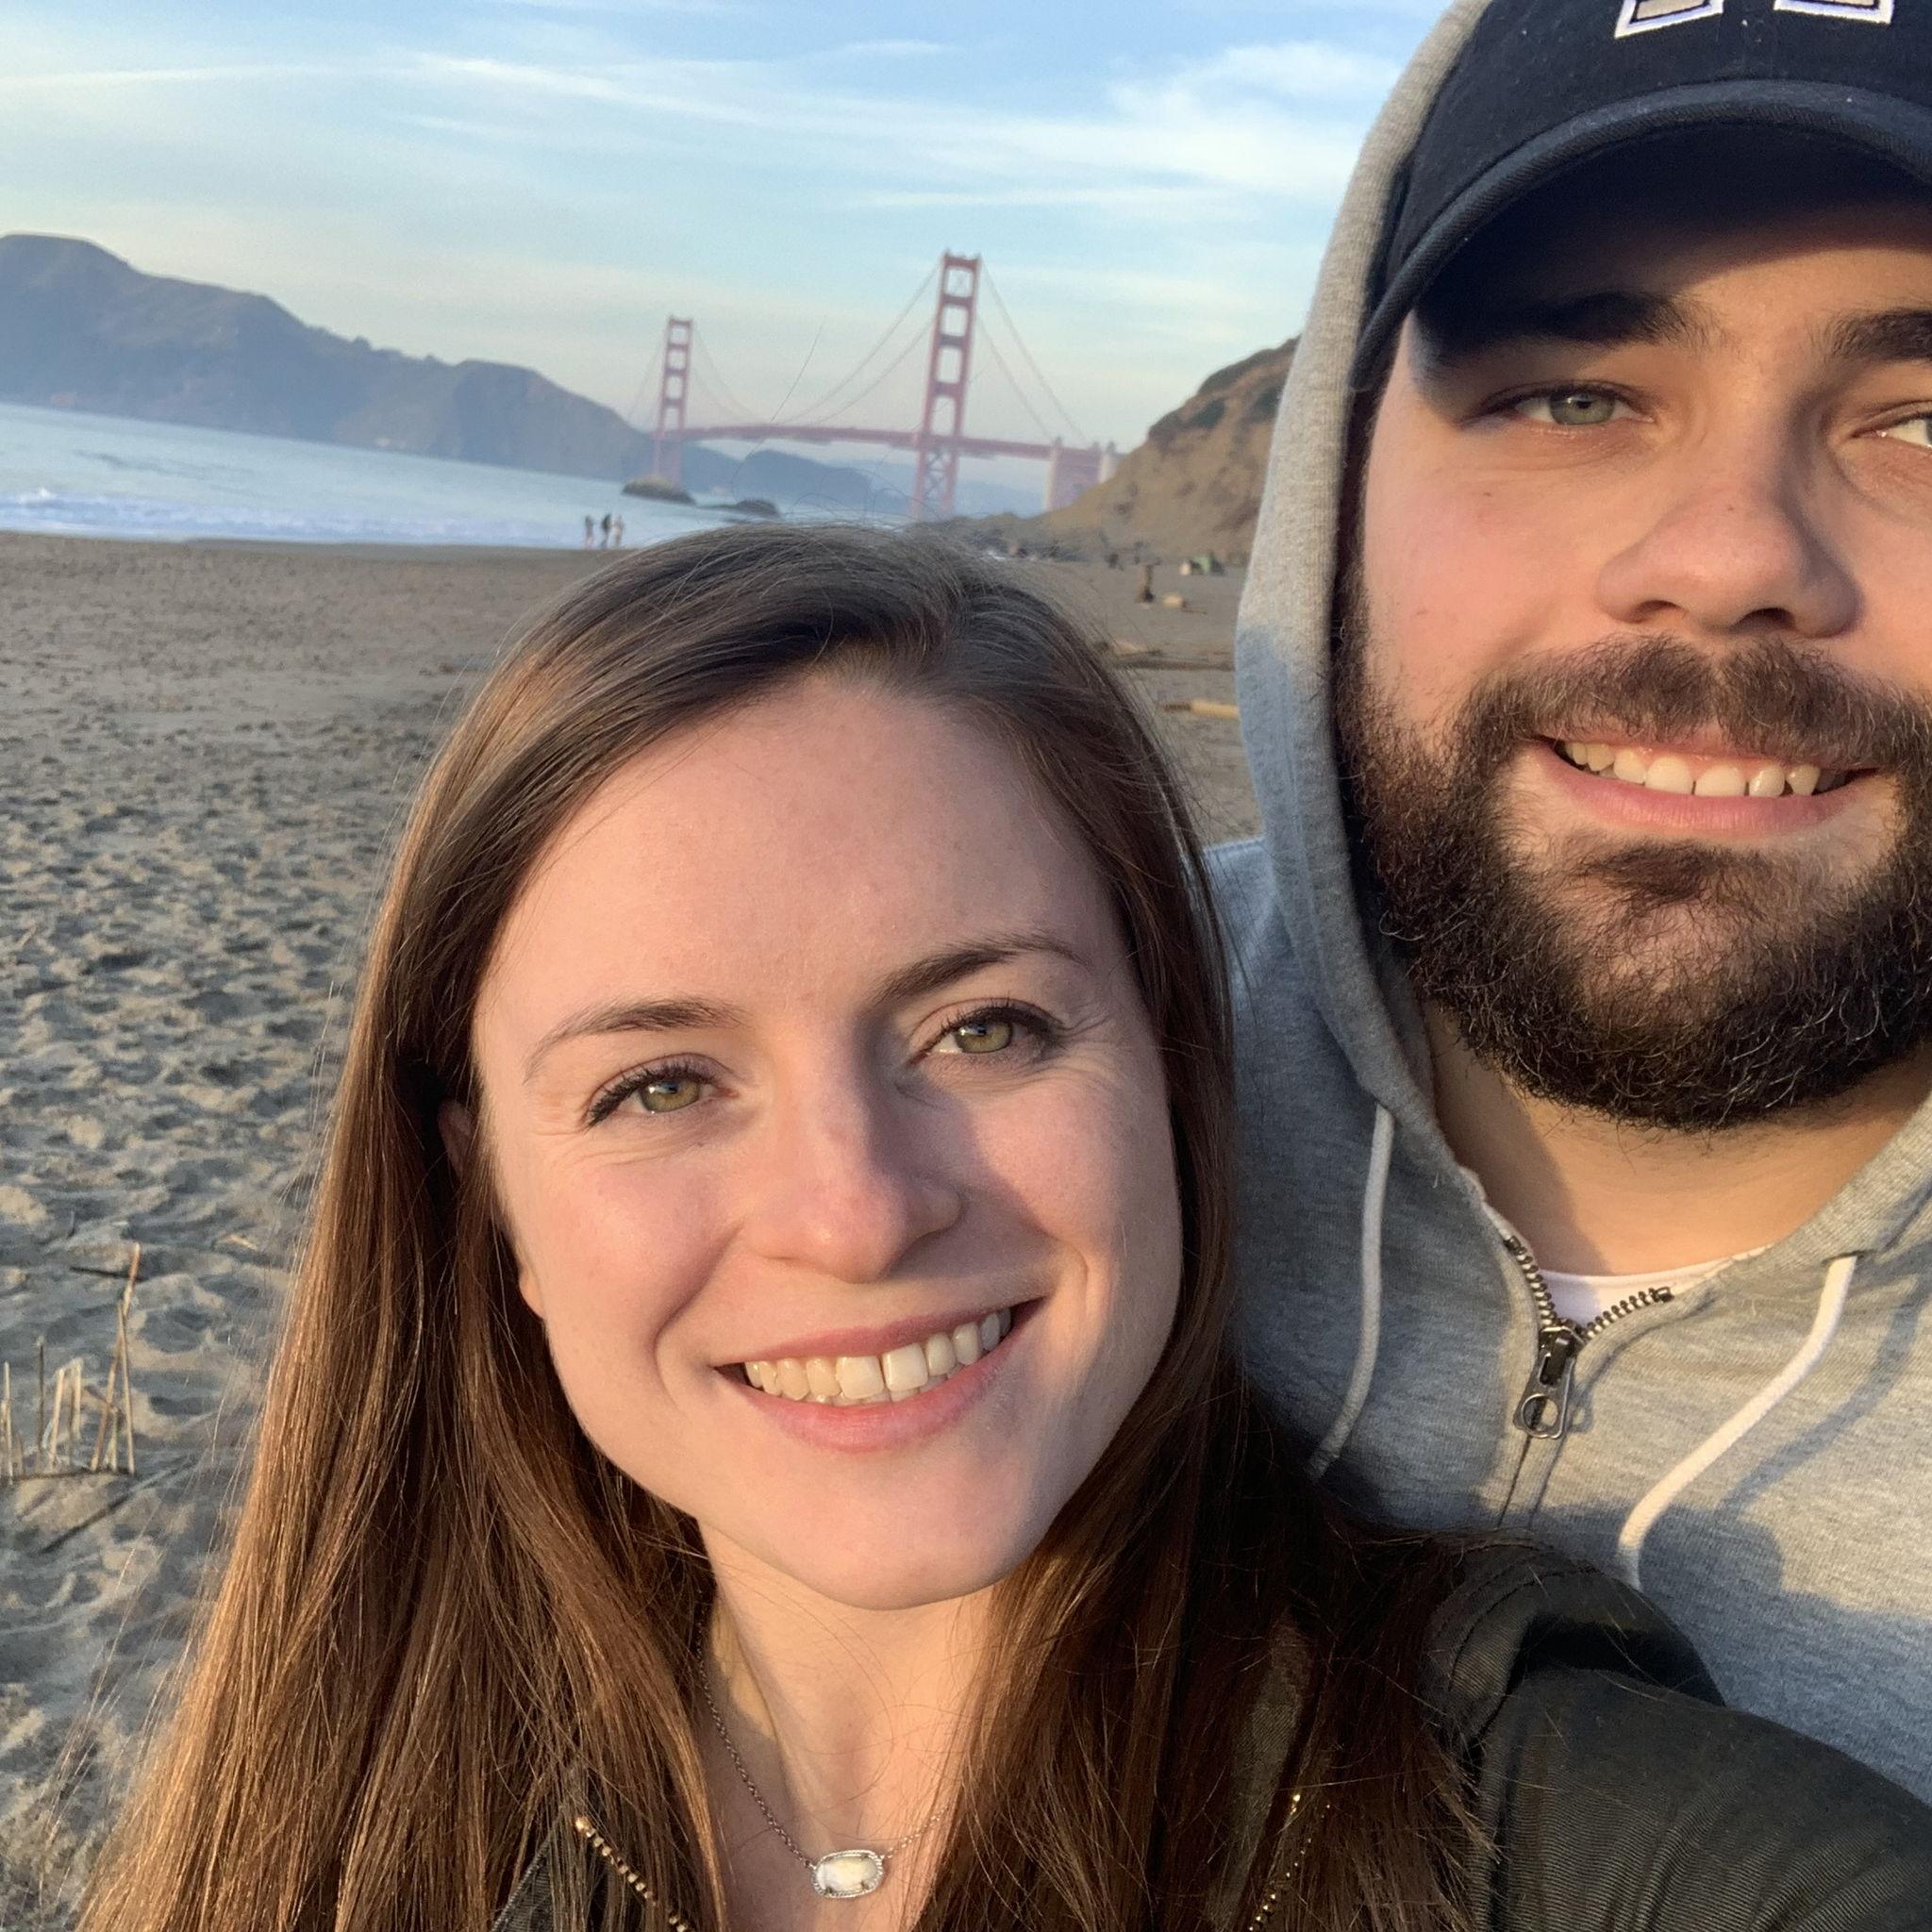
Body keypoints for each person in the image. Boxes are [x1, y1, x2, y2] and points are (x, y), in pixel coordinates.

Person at [75, 525, 1931, 1932]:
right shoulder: (347, 1801)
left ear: (1173, 1069)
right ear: (489, 1202)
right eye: (659, 1084)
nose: (856, 1212)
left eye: (984, 1029)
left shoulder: (1573, 1831)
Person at [1218, 0, 1932, 1801]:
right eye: (1572, 395)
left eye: (1927, 421)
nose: (1729, 557)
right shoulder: (996, 1086)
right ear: (1336, 492)